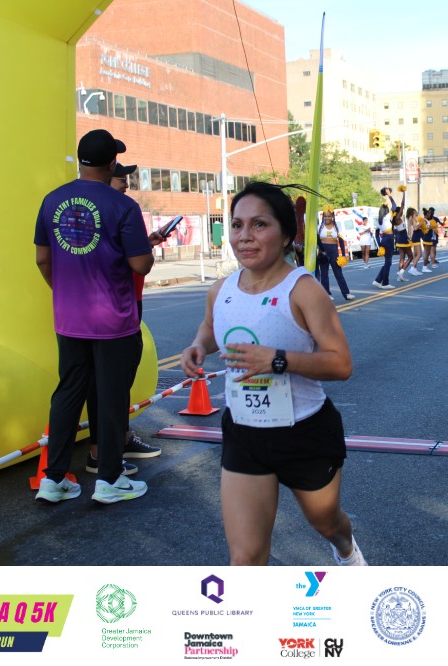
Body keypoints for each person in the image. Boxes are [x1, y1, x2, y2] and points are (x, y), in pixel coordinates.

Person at [180, 181, 366, 566]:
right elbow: (212, 328)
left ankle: (347, 551)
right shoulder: (221, 290)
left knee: (326, 522)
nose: (244, 236)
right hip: (244, 433)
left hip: (304, 433)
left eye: (259, 225)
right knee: (246, 558)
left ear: (285, 236)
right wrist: (198, 345)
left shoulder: (304, 291)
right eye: (237, 225)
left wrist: (277, 360)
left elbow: (340, 363)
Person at [33, 129, 155, 504]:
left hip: (69, 317)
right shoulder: (123, 206)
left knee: (68, 392)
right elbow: (141, 264)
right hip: (113, 319)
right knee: (112, 396)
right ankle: (110, 479)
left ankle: (54, 479)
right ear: (112, 164)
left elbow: (42, 258)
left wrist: (63, 291)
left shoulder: (52, 200)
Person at [84, 162, 164, 478]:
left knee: (118, 381)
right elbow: (138, 264)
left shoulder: (116, 209)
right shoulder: (110, 211)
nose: (127, 184)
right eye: (121, 178)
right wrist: (144, 253)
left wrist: (146, 242)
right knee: (107, 383)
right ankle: (103, 455)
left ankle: (118, 441)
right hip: (114, 307)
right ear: (104, 176)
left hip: (128, 303)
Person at [315, 206, 354, 301]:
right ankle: (327, 294)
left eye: (329, 216)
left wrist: (343, 255)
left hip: (334, 251)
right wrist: (322, 251)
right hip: (323, 252)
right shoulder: (320, 227)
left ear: (332, 216)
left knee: (338, 273)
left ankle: (346, 293)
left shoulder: (337, 227)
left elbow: (341, 241)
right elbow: (317, 240)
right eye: (325, 216)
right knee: (324, 274)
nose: (327, 218)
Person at [372, 205, 396, 290]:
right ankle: (385, 283)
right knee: (388, 263)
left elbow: (376, 234)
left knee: (387, 263)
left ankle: (378, 280)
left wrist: (380, 244)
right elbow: (394, 206)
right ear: (386, 211)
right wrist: (390, 197)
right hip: (389, 239)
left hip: (384, 240)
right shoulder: (387, 217)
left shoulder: (379, 221)